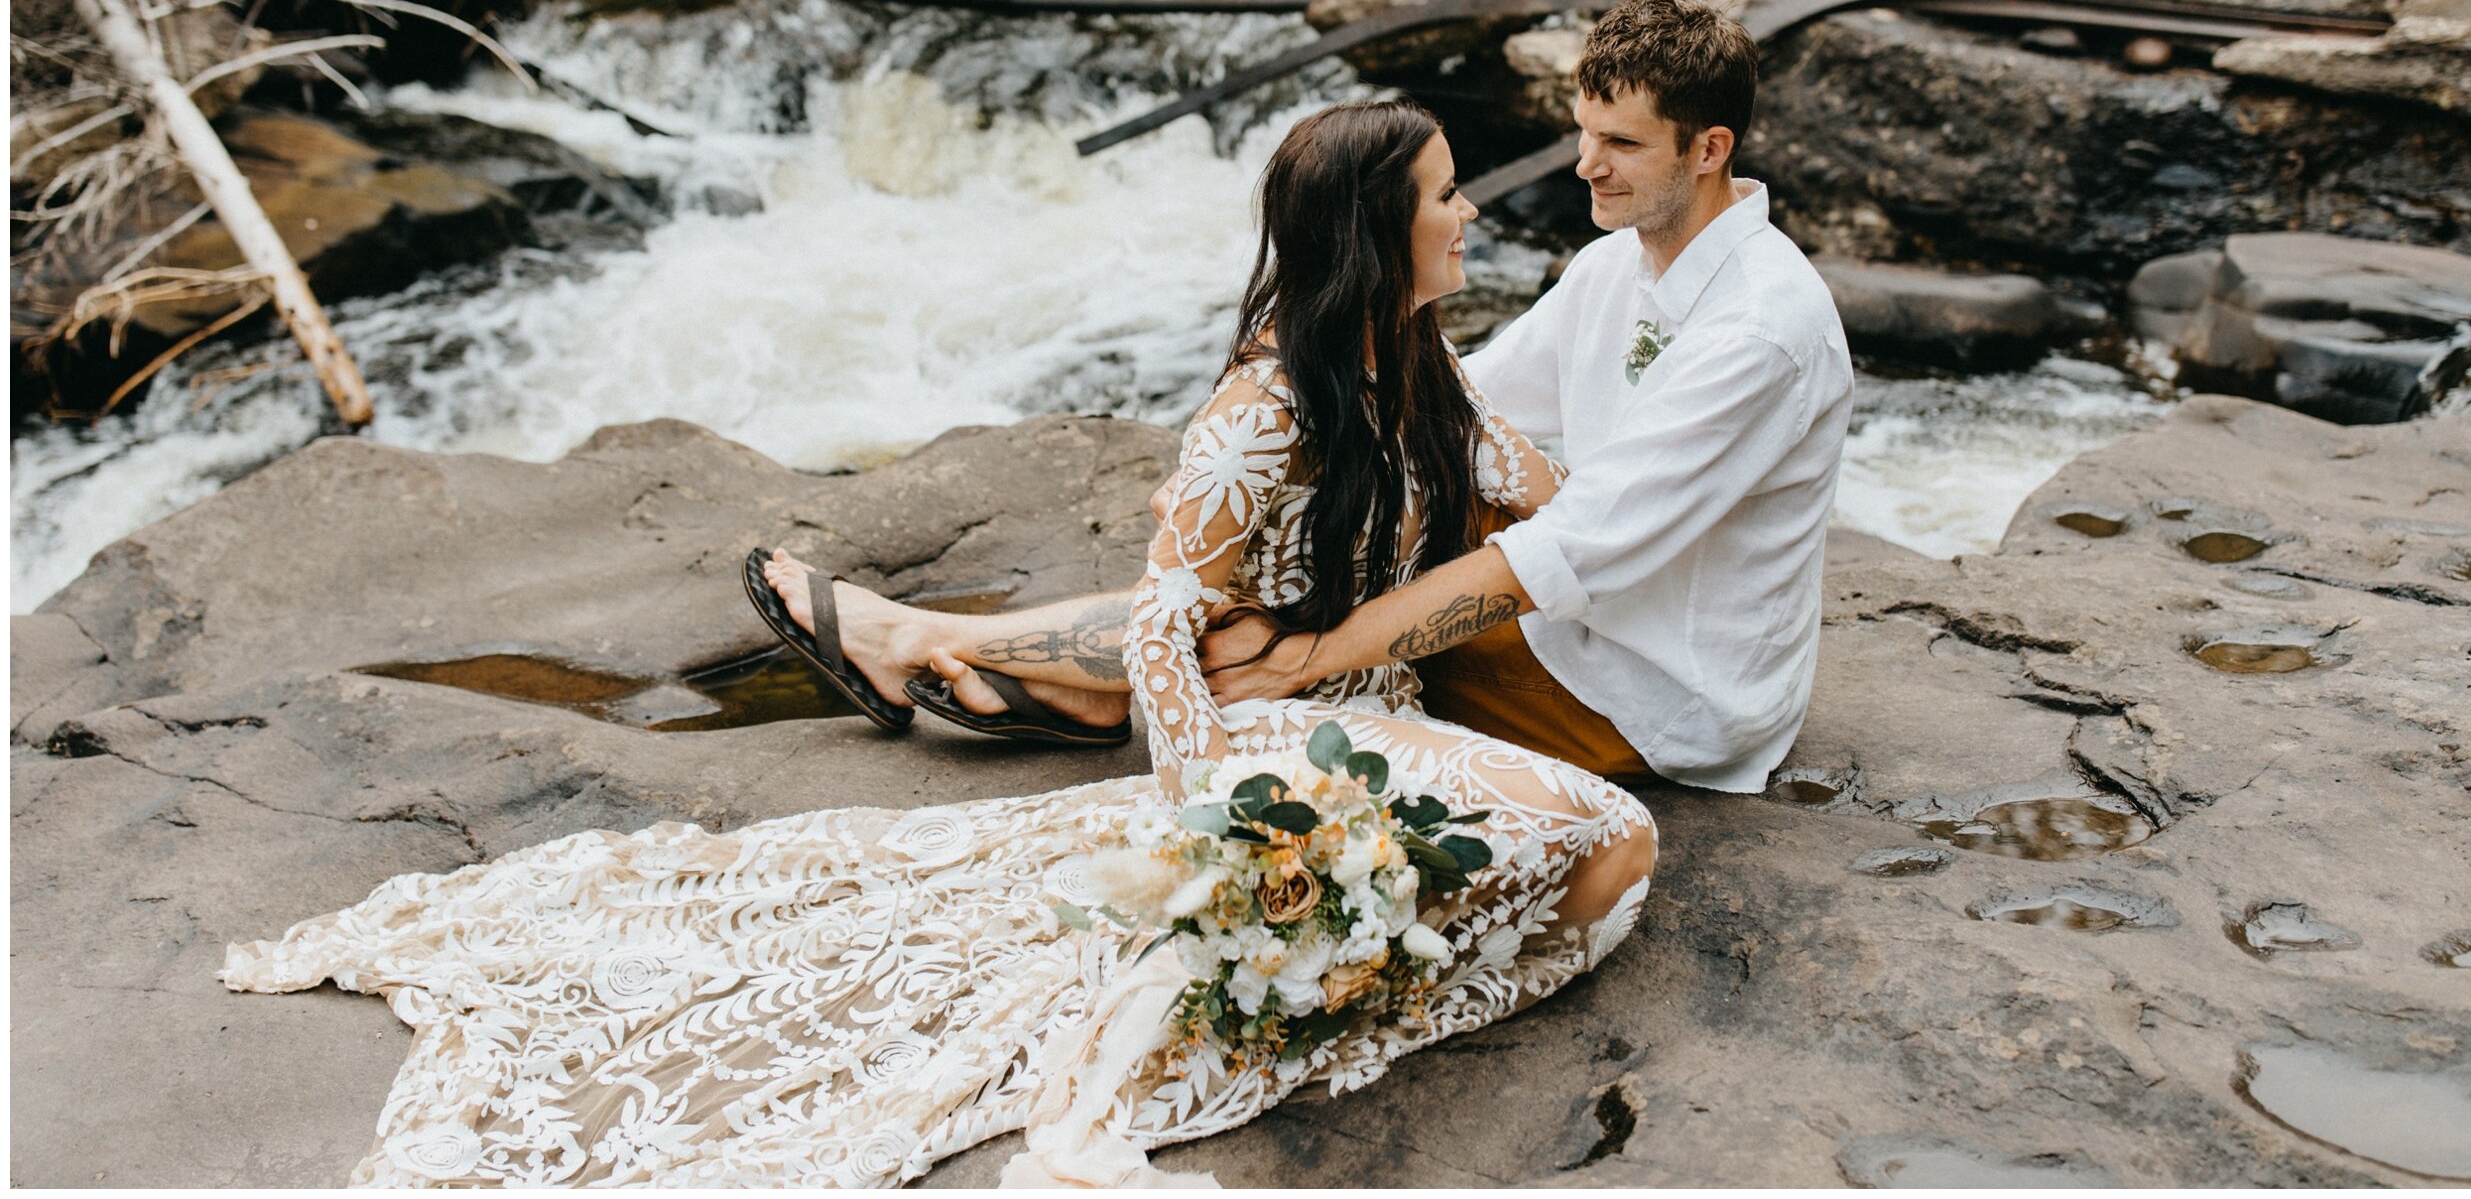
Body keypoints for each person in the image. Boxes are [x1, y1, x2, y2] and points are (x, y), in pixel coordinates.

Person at [222, 99, 1656, 1188]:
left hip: (1380, 710)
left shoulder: (1420, 363)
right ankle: (1118, 1078)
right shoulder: (1264, 410)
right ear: (1372, 228)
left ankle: (1299, 971)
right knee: (1602, 837)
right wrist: (1214, 820)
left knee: (1599, 862)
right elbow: (1163, 620)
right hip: (1279, 742)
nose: (1470, 212)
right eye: (1447, 195)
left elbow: (1542, 499)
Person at [778, 0, 1852, 796]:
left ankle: (931, 646)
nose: (1583, 167)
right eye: (1582, 132)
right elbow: (1463, 400)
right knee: (1300, 527)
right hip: (1594, 609)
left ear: (1710, 150)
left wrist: (1316, 660)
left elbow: (1559, 557)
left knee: (1278, 623)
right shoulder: (1622, 261)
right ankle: (1040, 675)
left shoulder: (1761, 332)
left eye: (1620, 144)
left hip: (1651, 692)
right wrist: (1239, 481)